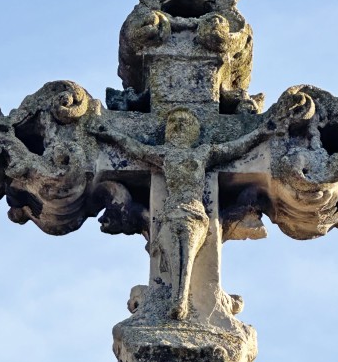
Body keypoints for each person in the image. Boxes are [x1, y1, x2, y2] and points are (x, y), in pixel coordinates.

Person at [90, 107, 271, 319]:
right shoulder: (164, 155)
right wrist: (110, 134)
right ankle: (178, 300)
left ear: (193, 130)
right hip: (170, 214)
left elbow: (235, 148)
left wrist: (261, 132)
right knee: (174, 259)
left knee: (187, 259)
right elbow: (135, 149)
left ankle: (181, 300)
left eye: (184, 123)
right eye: (174, 123)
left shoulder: (203, 153)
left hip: (194, 214)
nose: (178, 127)